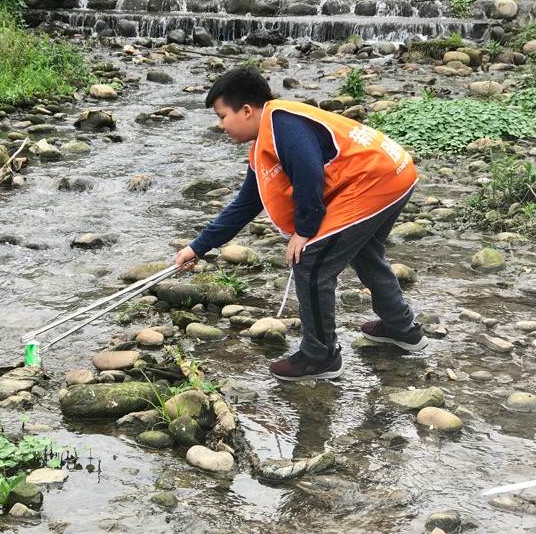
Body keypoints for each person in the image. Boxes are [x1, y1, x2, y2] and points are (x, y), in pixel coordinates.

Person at [174, 67, 429, 381]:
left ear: (246, 110)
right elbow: (245, 204)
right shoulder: (267, 136)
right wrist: (198, 247)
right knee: (362, 251)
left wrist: (305, 231)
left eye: (222, 116)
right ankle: (401, 328)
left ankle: (320, 355)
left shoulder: (285, 127)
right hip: (394, 173)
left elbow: (310, 174)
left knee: (311, 261)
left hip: (376, 181)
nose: (220, 125)